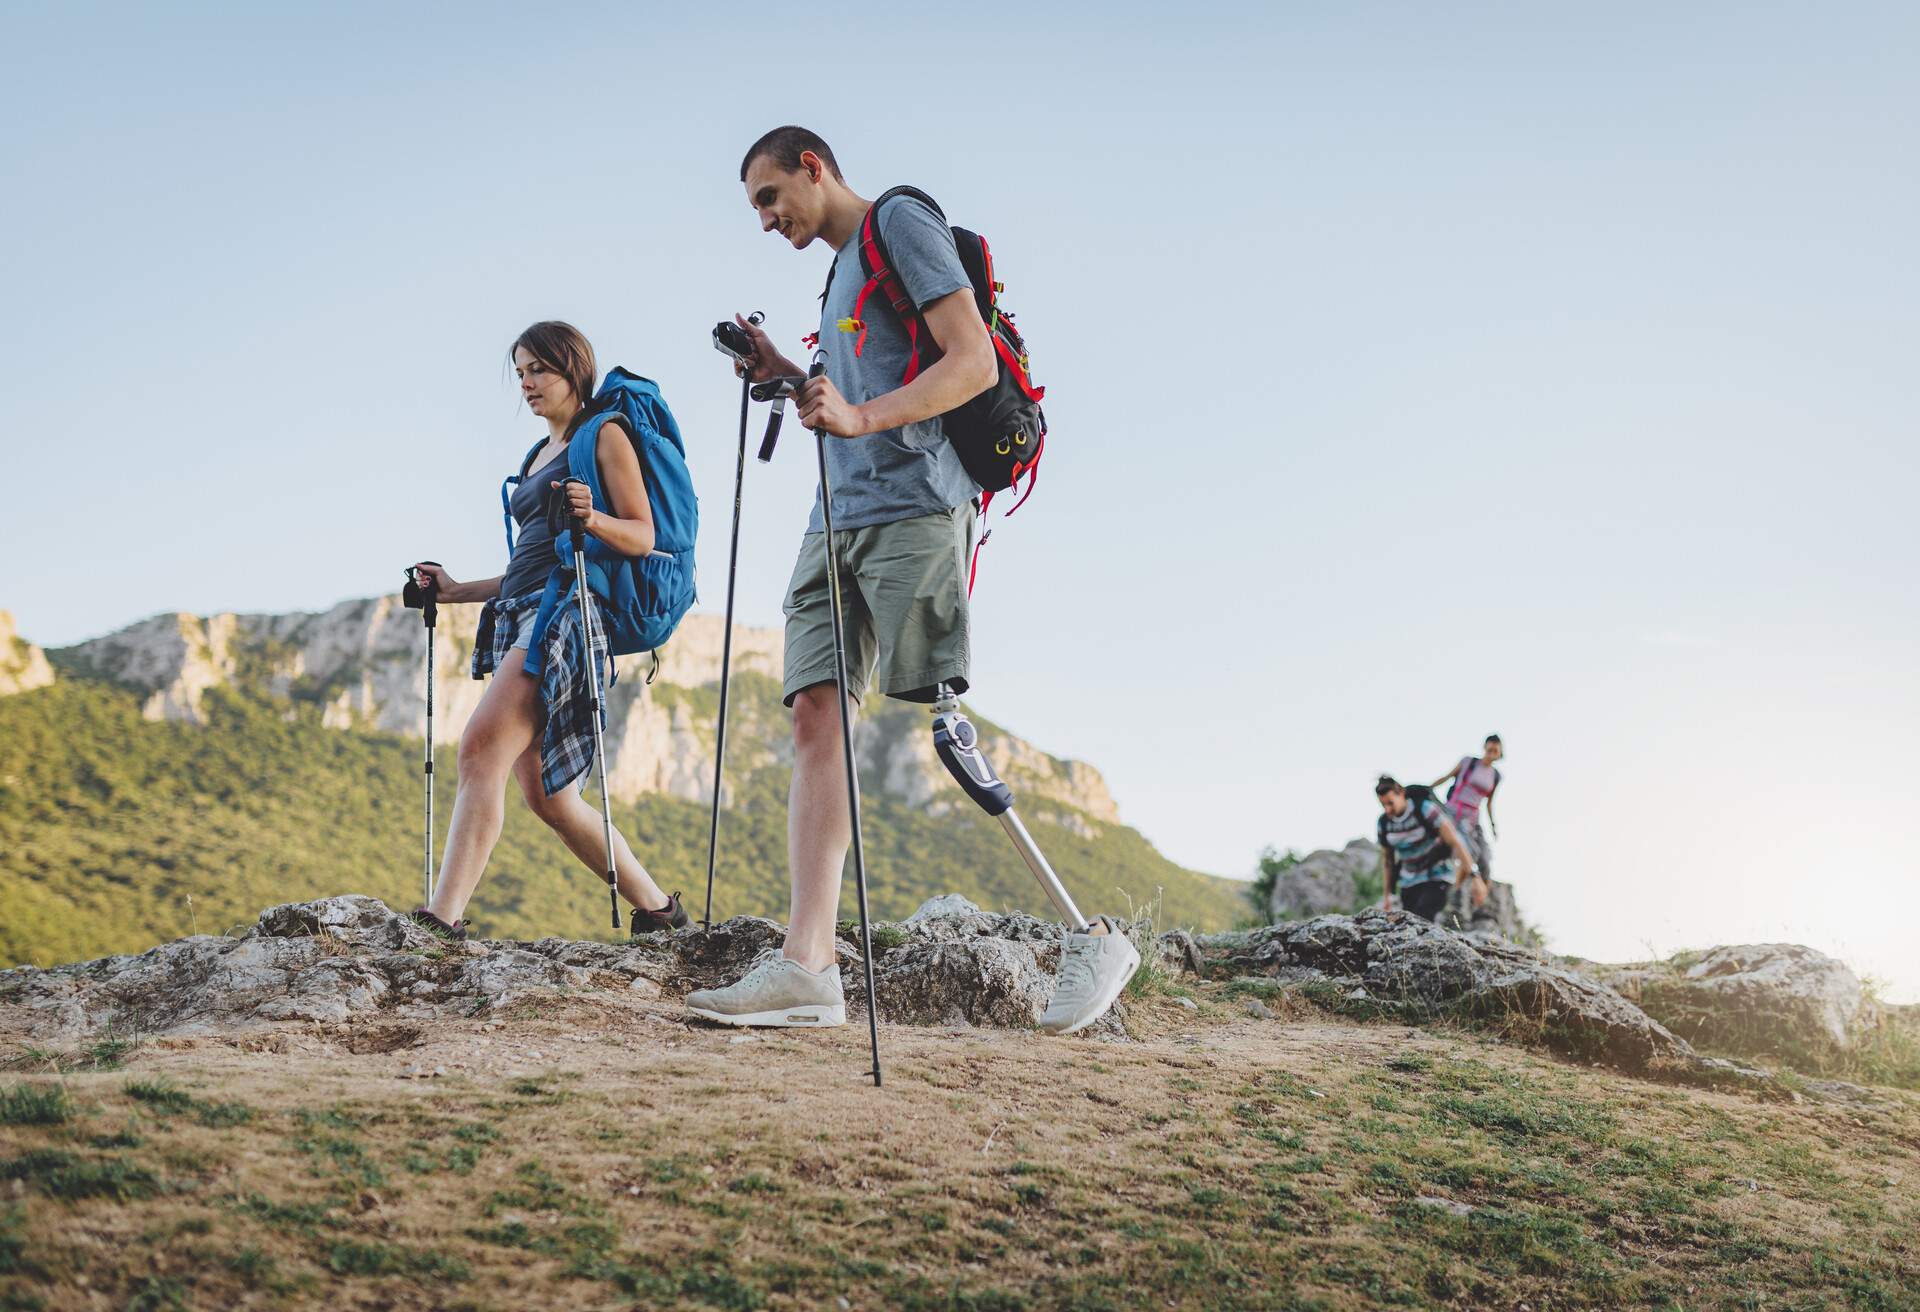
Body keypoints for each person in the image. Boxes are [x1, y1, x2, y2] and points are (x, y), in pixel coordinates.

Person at [685, 125, 1139, 1035]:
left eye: (770, 198)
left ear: (813, 167)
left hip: (915, 505)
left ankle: (1094, 938)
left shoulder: (901, 221)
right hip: (835, 515)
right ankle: (807, 968)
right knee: (816, 712)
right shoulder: (842, 269)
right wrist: (785, 374)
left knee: (940, 717)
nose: (766, 221)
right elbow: (853, 389)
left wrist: (857, 416)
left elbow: (968, 362)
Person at [406, 322, 688, 942]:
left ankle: (441, 920)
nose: (528, 383)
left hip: (564, 616)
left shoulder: (602, 434)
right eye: (520, 373)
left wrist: (594, 517)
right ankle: (661, 915)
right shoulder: (536, 456)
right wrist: (454, 592)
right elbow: (529, 563)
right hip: (523, 609)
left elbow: (642, 535)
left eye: (539, 370)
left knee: (480, 748)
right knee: (550, 797)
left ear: (573, 368)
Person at [1374, 775, 1481, 924]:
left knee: (1421, 919)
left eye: (1391, 803)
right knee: (1408, 925)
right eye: (1383, 805)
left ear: (1401, 794)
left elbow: (1455, 841)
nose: (1388, 809)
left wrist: (1475, 876)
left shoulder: (1424, 809)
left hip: (1437, 876)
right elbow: (1388, 861)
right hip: (1409, 881)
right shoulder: (1384, 823)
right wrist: (1387, 896)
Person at [1433, 734, 1503, 882]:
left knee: (1479, 856)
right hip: (1454, 811)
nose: (1491, 754)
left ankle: (1456, 887)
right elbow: (1447, 777)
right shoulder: (1469, 763)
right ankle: (1451, 886)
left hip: (1472, 818)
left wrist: (1493, 825)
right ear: (1484, 748)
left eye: (1495, 751)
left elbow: (1489, 803)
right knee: (1465, 850)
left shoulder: (1495, 776)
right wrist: (1427, 788)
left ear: (1499, 753)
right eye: (1489, 749)